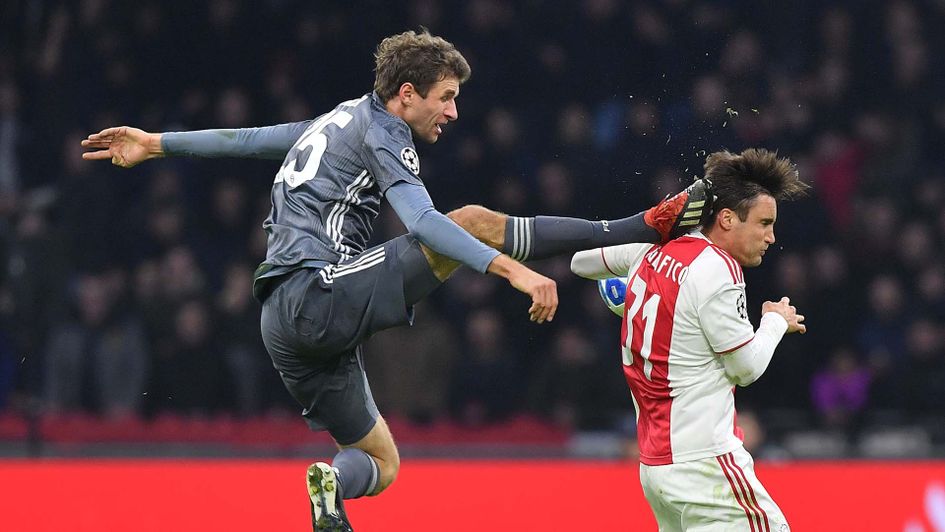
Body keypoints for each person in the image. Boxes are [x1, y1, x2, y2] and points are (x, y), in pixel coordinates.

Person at [82, 29, 710, 531]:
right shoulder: (383, 132)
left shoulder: (333, 121)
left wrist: (157, 143)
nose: (454, 112)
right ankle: (634, 225)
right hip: (317, 288)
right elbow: (426, 222)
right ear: (406, 95)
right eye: (446, 97)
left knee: (382, 464)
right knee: (472, 221)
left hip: (283, 323)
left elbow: (246, 139)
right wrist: (512, 270)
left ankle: (331, 484)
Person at [571, 148, 809, 531]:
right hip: (706, 464)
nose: (772, 236)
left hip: (656, 468)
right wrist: (774, 322)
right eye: (764, 223)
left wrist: (630, 287)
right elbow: (745, 368)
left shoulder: (655, 249)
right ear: (727, 219)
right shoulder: (719, 269)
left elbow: (579, 262)